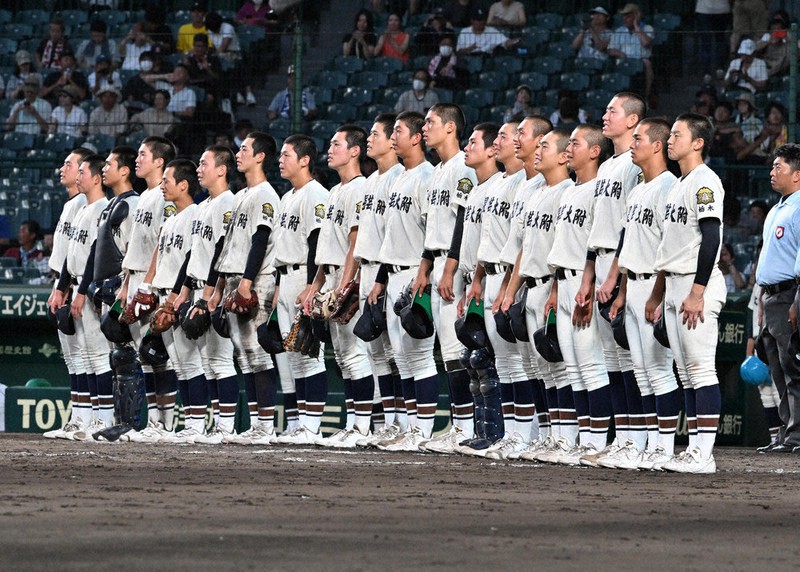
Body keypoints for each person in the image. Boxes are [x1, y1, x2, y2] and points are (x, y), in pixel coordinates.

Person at [603, 118, 681, 470]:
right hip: (632, 283)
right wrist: (620, 291)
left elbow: (669, 245)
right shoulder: (638, 189)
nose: (632, 144)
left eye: (638, 139)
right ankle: (648, 444)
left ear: (657, 146)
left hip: (653, 284)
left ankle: (663, 447)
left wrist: (658, 294)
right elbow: (627, 243)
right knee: (641, 370)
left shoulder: (669, 187)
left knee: (659, 370)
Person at [650, 113, 726, 473]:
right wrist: (658, 292)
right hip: (676, 284)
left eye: (678, 135)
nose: (670, 140)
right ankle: (695, 449)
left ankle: (703, 454)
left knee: (700, 369)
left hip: (698, 284)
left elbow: (712, 237)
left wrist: (697, 292)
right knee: (685, 372)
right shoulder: (679, 184)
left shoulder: (705, 181)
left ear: (698, 142)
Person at [576, 92, 645, 467]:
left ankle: (639, 440)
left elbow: (629, 226)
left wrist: (616, 277)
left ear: (633, 121)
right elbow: (596, 227)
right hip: (600, 263)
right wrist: (589, 274)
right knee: (613, 362)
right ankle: (623, 439)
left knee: (634, 361)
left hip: (624, 266)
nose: (605, 115)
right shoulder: (607, 167)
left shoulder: (634, 167)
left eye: (612, 111)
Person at [367, 111, 436, 451]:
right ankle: (410, 428)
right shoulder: (396, 179)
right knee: (402, 358)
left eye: (399, 130)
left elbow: (433, 234)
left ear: (416, 138)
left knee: (419, 356)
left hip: (414, 273)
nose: (393, 136)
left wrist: (424, 273)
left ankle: (423, 430)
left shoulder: (427, 176)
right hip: (393, 272)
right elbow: (389, 237)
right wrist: (380, 279)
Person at [411, 103, 478, 451]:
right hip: (436, 262)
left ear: (451, 127)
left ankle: (465, 427)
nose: (425, 128)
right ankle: (459, 424)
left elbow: (463, 219)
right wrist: (425, 267)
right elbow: (431, 227)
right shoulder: (438, 171)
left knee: (456, 351)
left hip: (453, 266)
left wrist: (450, 267)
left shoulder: (462, 168)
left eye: (431, 122)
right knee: (447, 351)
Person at [303, 125, 375, 447]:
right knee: (344, 357)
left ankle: (363, 426)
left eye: (337, 144)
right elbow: (326, 250)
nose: (329, 149)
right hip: (330, 275)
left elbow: (354, 243)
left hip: (347, 278)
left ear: (355, 151)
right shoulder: (334, 191)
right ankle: (352, 424)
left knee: (355, 355)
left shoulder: (359, 188)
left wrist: (343, 287)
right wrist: (316, 285)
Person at [171, 145, 239, 444]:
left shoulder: (227, 203)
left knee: (221, 361)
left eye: (204, 163)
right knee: (208, 362)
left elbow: (223, 252)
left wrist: (211, 293)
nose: (199, 169)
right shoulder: (201, 207)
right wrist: (183, 290)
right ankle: (205, 425)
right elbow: (193, 254)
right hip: (198, 287)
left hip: (216, 291)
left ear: (222, 169)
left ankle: (226, 428)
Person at [117, 137, 178, 443]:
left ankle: (166, 423)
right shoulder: (145, 196)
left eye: (143, 155)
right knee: (145, 357)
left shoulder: (164, 197)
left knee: (159, 356)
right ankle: (155, 421)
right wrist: (128, 283)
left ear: (159, 162)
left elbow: (162, 244)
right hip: (137, 277)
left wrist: (147, 285)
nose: (137, 159)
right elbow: (135, 246)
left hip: (153, 281)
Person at [271, 135, 330, 445]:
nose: (281, 160)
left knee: (309, 354)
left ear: (305, 160)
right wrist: (280, 286)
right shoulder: (286, 197)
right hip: (286, 276)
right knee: (293, 355)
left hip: (305, 278)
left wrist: (311, 285)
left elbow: (316, 242)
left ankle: (311, 425)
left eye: (287, 155)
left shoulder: (316, 195)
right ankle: (296, 424)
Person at [351, 113, 405, 447]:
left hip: (386, 272)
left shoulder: (399, 177)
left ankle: (403, 422)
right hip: (366, 270)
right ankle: (388, 422)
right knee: (376, 352)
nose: (370, 139)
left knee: (398, 352)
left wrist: (381, 279)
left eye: (376, 134)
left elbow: (392, 236)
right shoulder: (371, 182)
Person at [144, 159, 207, 443]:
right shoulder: (171, 219)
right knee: (179, 364)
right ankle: (189, 423)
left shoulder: (195, 214)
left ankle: (197, 423)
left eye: (167, 180)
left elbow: (193, 259)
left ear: (184, 184)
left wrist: (180, 295)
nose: (162, 185)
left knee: (192, 363)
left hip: (182, 294)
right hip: (165, 293)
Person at [52, 154, 113, 440]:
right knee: (79, 359)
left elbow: (95, 255)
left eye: (82, 170)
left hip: (89, 291)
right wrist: (61, 287)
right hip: (74, 286)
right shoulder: (80, 208)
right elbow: (68, 257)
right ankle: (82, 419)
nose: (77, 175)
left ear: (97, 177)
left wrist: (81, 289)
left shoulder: (103, 208)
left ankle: (102, 420)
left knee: (97, 358)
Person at [42, 148, 92, 440]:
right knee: (73, 358)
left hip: (74, 285)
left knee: (86, 356)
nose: (63, 168)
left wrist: (65, 288)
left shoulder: (85, 205)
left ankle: (88, 419)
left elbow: (78, 256)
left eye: (69, 164)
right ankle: (79, 417)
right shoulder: (72, 204)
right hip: (64, 283)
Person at [755, 145, 800, 455]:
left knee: (793, 366)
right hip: (771, 297)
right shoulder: (776, 209)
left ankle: (797, 436)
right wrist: (760, 300)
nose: (772, 172)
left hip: (790, 294)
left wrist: (798, 301)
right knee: (777, 369)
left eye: (778, 167)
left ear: (797, 175)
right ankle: (787, 434)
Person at [608, 3, 655, 104]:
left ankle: (646, 96)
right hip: (623, 61)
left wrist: (637, 27)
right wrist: (620, 54)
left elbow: (646, 43)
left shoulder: (647, 28)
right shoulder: (619, 31)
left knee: (647, 62)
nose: (624, 19)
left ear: (636, 16)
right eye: (623, 16)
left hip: (640, 62)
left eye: (628, 16)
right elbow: (610, 50)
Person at [755, 11, 790, 78]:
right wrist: (768, 42)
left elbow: (787, 36)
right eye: (773, 30)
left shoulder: (787, 36)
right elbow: (755, 48)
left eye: (778, 30)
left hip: (779, 67)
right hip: (766, 63)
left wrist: (780, 35)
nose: (775, 32)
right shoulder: (768, 37)